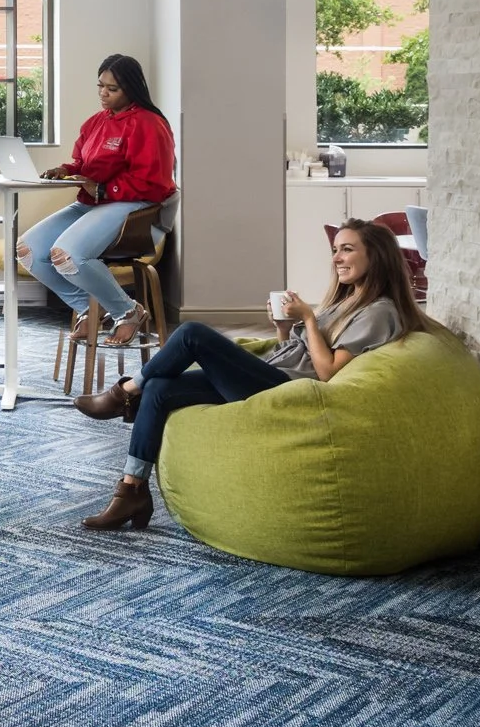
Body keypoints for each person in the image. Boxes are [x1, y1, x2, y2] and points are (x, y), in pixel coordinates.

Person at [74, 220, 431, 531]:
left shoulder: (378, 312)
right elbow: (299, 353)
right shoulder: (346, 301)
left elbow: (328, 373)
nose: (336, 258)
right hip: (277, 375)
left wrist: (308, 317)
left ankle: (124, 393)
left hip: (291, 392)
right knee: (162, 387)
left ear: (377, 256)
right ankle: (131, 490)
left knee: (192, 334)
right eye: (336, 249)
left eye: (347, 249)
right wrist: (283, 328)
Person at [16, 54, 176, 349]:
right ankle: (91, 307)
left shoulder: (149, 124)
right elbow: (84, 164)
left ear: (131, 89)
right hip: (94, 202)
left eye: (112, 89)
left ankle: (127, 311)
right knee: (27, 251)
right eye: (100, 86)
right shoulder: (96, 122)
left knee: (67, 254)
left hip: (137, 208)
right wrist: (67, 171)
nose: (103, 93)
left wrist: (104, 189)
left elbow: (153, 183)